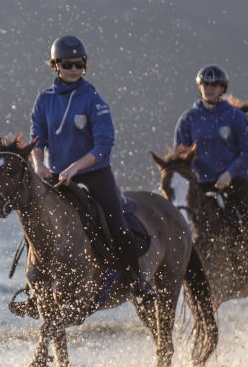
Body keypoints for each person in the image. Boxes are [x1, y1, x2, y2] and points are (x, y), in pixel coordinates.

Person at [28, 35, 157, 305]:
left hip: (93, 173)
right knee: (35, 223)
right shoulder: (44, 99)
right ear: (55, 66)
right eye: (67, 64)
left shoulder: (92, 98)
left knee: (116, 222)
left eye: (78, 64)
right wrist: (39, 165)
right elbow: (37, 137)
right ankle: (33, 288)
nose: (73, 69)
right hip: (57, 176)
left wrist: (76, 167)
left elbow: (103, 144)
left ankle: (136, 281)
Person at [174, 64, 248, 289]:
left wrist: (229, 173)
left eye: (214, 84)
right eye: (205, 84)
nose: (209, 88)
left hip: (235, 182)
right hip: (201, 186)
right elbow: (181, 155)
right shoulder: (188, 119)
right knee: (183, 225)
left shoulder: (235, 117)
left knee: (247, 224)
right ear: (200, 87)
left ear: (222, 88)